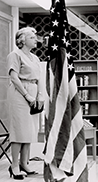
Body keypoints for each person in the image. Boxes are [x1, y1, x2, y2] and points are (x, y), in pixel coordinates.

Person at [6, 27, 44, 179]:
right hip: (20, 92)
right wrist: (27, 95)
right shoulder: (14, 55)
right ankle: (14, 166)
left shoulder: (35, 58)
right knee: (19, 131)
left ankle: (24, 163)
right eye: (32, 37)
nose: (36, 40)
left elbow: (39, 78)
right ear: (22, 40)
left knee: (29, 131)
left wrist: (40, 96)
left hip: (33, 90)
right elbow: (14, 78)